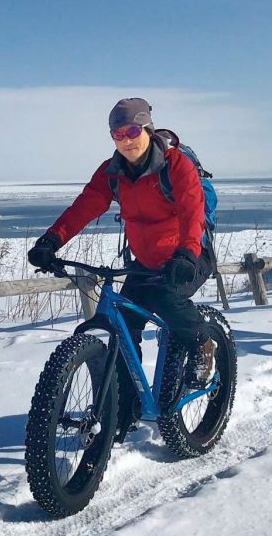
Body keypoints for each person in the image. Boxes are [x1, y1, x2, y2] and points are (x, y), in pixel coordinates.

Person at [27, 97, 216, 384]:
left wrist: (188, 253)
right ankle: (126, 407)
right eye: (118, 134)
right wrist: (51, 240)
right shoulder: (111, 173)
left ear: (147, 130)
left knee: (166, 297)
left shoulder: (175, 165)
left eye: (131, 131)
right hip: (147, 262)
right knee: (123, 328)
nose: (126, 140)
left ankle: (203, 344)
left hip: (189, 257)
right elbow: (83, 208)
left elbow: (193, 212)